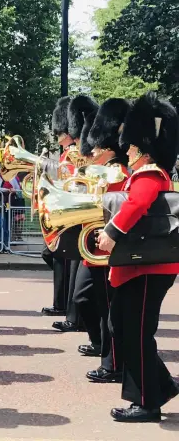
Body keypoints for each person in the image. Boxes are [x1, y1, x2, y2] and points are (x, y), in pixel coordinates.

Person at [96, 91, 179, 422]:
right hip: (142, 267)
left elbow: (136, 205)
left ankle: (148, 402)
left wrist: (111, 233)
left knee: (133, 332)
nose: (126, 153)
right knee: (126, 328)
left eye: (130, 148)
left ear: (143, 150)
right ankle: (159, 386)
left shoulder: (149, 175)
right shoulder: (142, 174)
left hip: (149, 268)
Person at [76, 98, 130, 385]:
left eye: (96, 147)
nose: (92, 151)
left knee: (110, 310)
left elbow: (115, 208)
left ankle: (113, 363)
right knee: (87, 299)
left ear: (108, 148)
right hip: (95, 247)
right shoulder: (102, 170)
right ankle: (106, 353)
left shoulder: (118, 171)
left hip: (108, 249)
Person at [50, 94, 98, 334]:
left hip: (85, 217)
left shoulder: (82, 154)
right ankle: (73, 315)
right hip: (76, 213)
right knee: (72, 267)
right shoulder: (75, 153)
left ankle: (75, 317)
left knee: (77, 270)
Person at [40, 96, 77, 319]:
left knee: (60, 258)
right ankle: (61, 302)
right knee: (55, 256)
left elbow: (70, 179)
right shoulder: (65, 153)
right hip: (62, 212)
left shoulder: (74, 153)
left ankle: (64, 304)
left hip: (70, 213)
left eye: (61, 131)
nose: (58, 135)